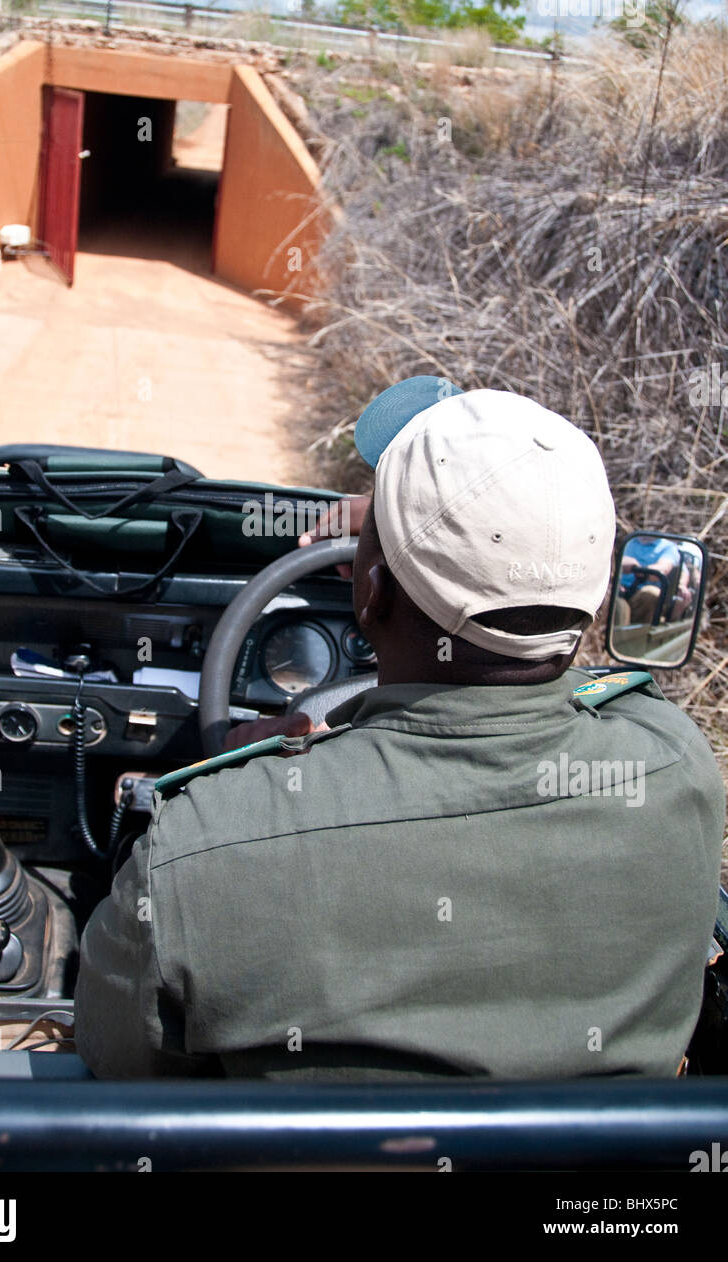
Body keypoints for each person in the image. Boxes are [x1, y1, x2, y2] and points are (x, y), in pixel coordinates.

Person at [73, 382, 725, 1081]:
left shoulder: (198, 854)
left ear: (368, 590)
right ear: (596, 597)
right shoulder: (677, 770)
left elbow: (116, 1059)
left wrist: (261, 772)